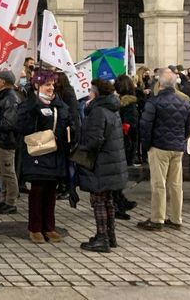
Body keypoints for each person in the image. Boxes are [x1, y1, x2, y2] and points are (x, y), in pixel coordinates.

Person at [17, 69, 73, 244]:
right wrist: (33, 109)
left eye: (52, 85)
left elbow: (67, 122)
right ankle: (35, 228)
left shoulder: (59, 104)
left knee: (50, 191)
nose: (51, 88)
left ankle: (49, 227)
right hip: (38, 152)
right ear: (36, 85)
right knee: (38, 190)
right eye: (47, 84)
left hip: (55, 152)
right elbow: (21, 126)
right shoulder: (29, 104)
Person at [77, 79, 128, 253]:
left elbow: (95, 139)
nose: (89, 93)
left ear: (96, 93)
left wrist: (80, 148)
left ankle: (102, 238)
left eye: (91, 90)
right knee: (108, 199)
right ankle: (110, 236)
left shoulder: (98, 111)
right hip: (112, 160)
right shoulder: (112, 108)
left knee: (98, 200)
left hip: (102, 162)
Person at [138, 69, 190, 231]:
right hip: (177, 147)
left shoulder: (154, 102)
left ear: (159, 83)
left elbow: (145, 126)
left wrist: (147, 145)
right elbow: (189, 127)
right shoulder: (184, 102)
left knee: (158, 184)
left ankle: (157, 219)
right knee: (176, 184)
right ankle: (176, 218)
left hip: (159, 146)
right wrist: (181, 140)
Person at [0, 70, 21, 215]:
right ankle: (3, 200)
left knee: (8, 172)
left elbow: (9, 122)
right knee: (0, 172)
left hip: (6, 141)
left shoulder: (11, 98)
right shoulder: (1, 96)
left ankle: (11, 202)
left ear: (3, 82)